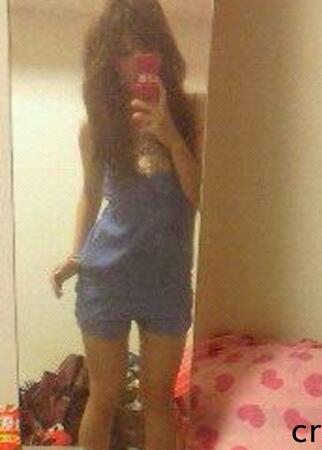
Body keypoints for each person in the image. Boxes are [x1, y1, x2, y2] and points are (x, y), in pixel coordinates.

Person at [49, 1, 203, 449]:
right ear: (107, 62)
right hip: (106, 278)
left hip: (167, 282)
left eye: (144, 47)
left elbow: (201, 198)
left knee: (158, 400)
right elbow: (90, 195)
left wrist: (169, 134)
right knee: (104, 396)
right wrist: (76, 255)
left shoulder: (192, 112)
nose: (135, 61)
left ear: (161, 51)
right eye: (123, 51)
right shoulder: (96, 127)